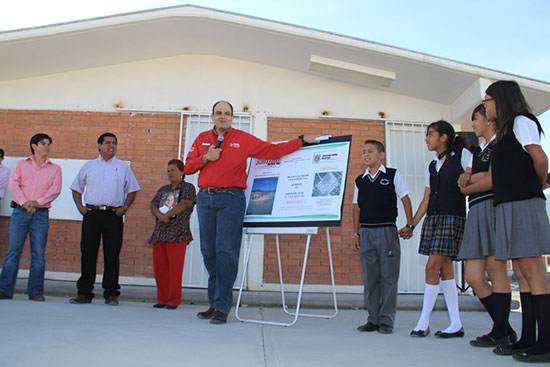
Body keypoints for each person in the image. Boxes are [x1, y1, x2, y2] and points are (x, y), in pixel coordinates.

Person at [184, 100, 319, 324]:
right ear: (212, 117)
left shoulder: (242, 139)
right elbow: (188, 167)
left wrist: (300, 141)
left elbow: (273, 151)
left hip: (231, 199)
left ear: (232, 117)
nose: (223, 116)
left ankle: (221, 307)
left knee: (226, 251)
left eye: (227, 113)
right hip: (206, 198)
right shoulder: (201, 140)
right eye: (219, 113)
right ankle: (214, 302)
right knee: (209, 251)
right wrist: (206, 157)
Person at [469, 80, 550, 362]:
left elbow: (540, 158)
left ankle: (546, 342)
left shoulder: (521, 121)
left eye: (488, 99)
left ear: (501, 100)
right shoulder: (504, 132)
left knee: (533, 271)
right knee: (521, 272)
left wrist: (535, 185)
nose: (485, 104)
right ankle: (528, 337)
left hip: (524, 203)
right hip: (508, 205)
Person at [457, 105, 516, 348]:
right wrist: (471, 181)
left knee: (495, 269)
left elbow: (492, 179)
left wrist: (470, 183)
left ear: (490, 120)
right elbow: (465, 182)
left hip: (492, 209)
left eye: (476, 119)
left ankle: (499, 331)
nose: (473, 124)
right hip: (476, 211)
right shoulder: (477, 152)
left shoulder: (498, 145)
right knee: (473, 275)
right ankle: (504, 328)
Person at [407, 120, 472, 338]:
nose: (426, 138)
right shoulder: (432, 165)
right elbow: (426, 198)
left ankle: (423, 323)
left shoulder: (462, 155)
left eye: (431, 134)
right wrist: (412, 224)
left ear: (444, 137)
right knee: (445, 269)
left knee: (431, 266)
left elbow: (473, 169)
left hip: (452, 217)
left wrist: (467, 173)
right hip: (433, 219)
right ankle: (456, 323)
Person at [69, 132, 140, 306]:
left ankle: (111, 293)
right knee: (88, 253)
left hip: (113, 215)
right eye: (107, 143)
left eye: (114, 143)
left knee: (112, 254)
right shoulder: (89, 166)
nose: (111, 146)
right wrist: (80, 207)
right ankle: (84, 293)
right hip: (91, 214)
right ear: (99, 146)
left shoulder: (123, 167)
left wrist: (125, 208)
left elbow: (132, 190)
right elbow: (76, 188)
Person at [352, 139, 414, 334]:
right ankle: (373, 319)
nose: (366, 155)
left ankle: (386, 321)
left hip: (387, 231)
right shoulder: (360, 180)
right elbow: (356, 208)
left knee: (388, 276)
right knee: (370, 277)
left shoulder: (392, 175)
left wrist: (410, 224)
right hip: (367, 233)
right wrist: (356, 233)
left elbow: (405, 198)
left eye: (370, 151)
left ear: (382, 155)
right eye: (363, 152)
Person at [0, 134, 62, 301]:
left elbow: (54, 190)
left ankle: (35, 291)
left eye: (49, 144)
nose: (47, 147)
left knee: (38, 253)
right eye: (43, 144)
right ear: (34, 146)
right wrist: (25, 202)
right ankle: (5, 290)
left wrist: (36, 203)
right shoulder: (21, 164)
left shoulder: (55, 169)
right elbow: (14, 184)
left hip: (40, 214)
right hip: (20, 212)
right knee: (13, 251)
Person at [148, 159, 196, 310]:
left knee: (175, 269)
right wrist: (160, 215)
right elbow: (153, 204)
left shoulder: (188, 188)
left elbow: (185, 204)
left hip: (178, 234)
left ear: (182, 172)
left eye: (173, 170)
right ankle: (162, 299)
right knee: (160, 268)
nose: (170, 173)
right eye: (168, 170)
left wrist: (168, 214)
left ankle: (173, 300)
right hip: (160, 233)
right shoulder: (164, 189)